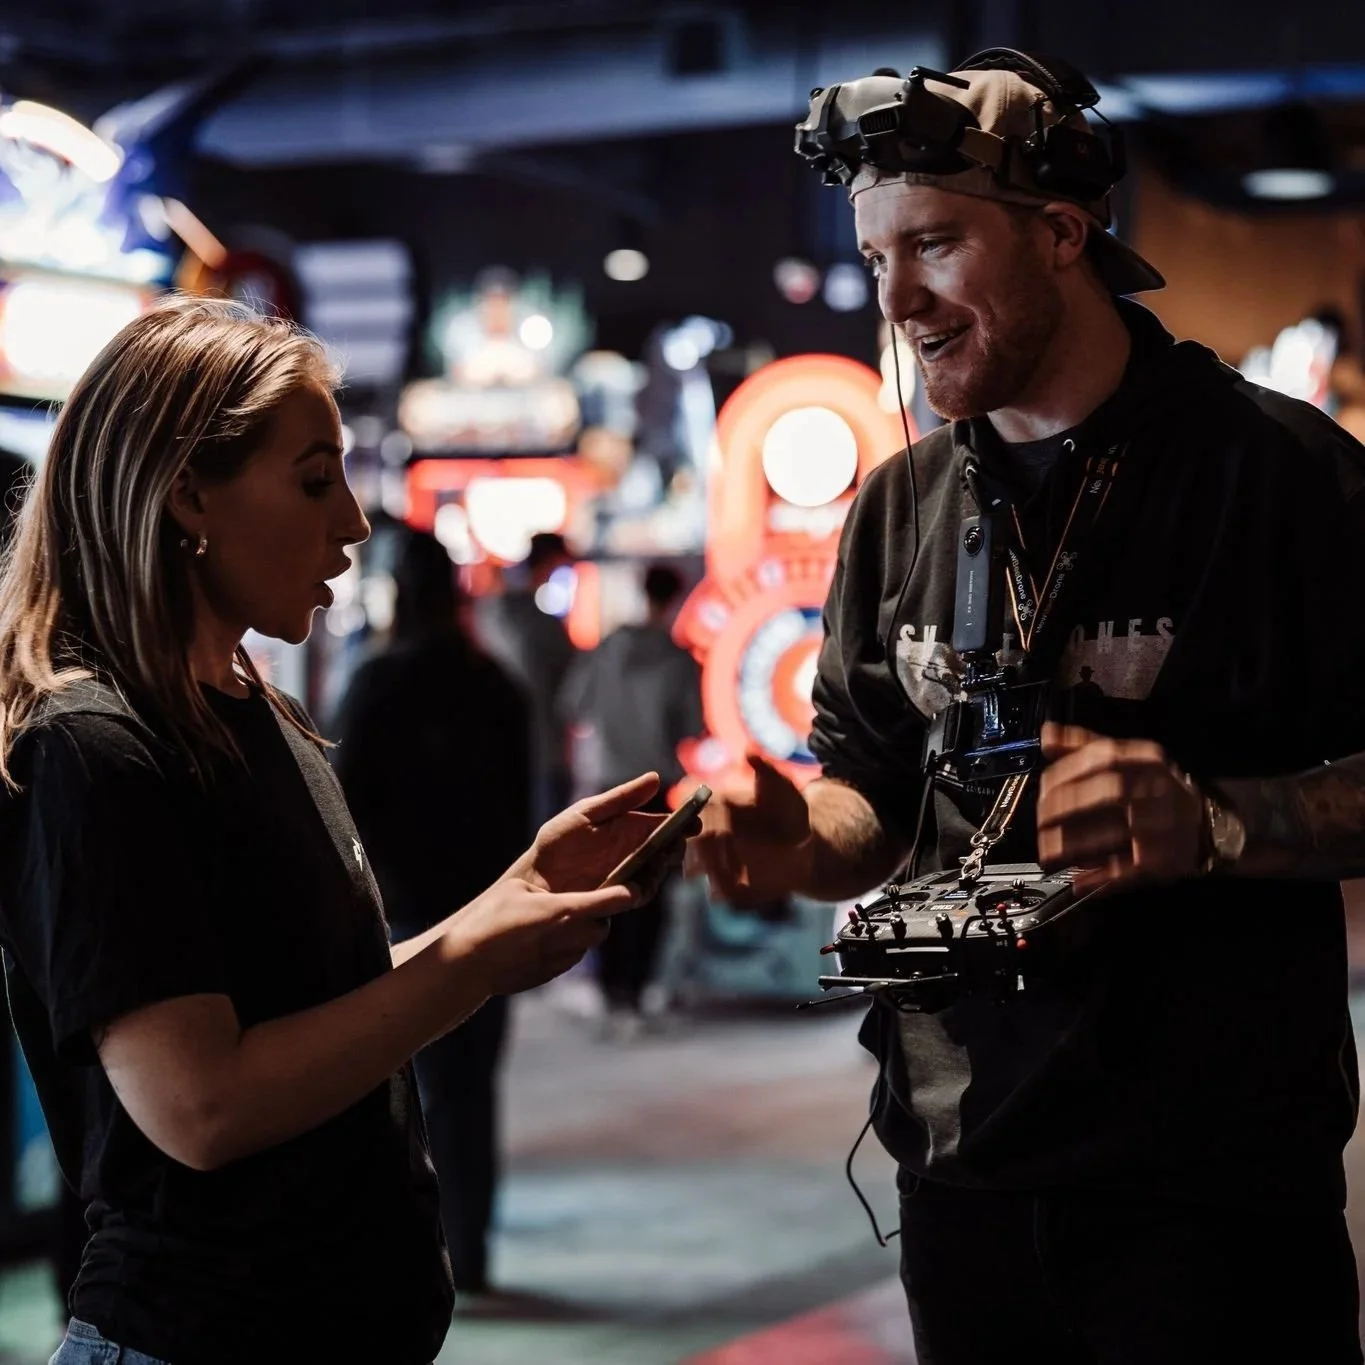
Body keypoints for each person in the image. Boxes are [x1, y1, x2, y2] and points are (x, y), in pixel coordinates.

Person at [691, 49, 1365, 1365]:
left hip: (1212, 1190)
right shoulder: (897, 506)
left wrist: (1214, 822)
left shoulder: (1283, 477)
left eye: (932, 243)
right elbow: (868, 795)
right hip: (962, 1178)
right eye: (876, 255)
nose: (896, 299)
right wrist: (788, 840)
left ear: (1063, 232)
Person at [0, 296, 675, 1365]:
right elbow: (200, 1104)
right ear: (185, 494)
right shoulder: (95, 746)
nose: (354, 524)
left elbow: (307, 1011)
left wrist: (510, 903)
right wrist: (469, 965)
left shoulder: (257, 713)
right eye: (314, 481)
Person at [331, 526, 531, 1304]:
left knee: (401, 1095)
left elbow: (345, 812)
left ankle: (424, 1257)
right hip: (488, 912)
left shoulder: (377, 682)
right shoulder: (495, 685)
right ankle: (471, 1248)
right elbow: (519, 812)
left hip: (402, 920)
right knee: (471, 1090)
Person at [560, 563, 704, 1033]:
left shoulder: (604, 649)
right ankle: (637, 994)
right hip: (655, 788)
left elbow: (572, 705)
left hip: (605, 786)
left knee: (604, 889)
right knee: (649, 893)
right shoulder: (679, 659)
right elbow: (692, 726)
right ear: (674, 598)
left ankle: (609, 990)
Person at [476, 531, 578, 824]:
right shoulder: (538, 623)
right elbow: (570, 684)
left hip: (498, 745)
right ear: (549, 563)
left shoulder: (489, 613)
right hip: (540, 748)